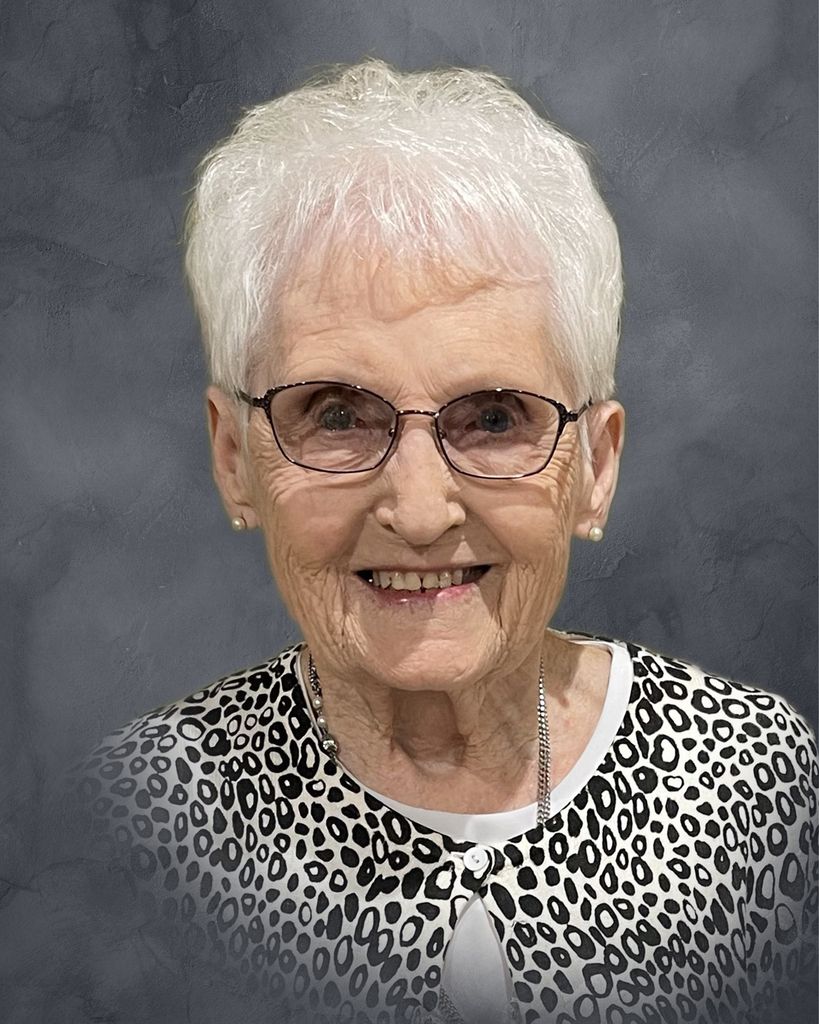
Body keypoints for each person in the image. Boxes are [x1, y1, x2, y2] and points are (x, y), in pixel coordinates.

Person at [76, 60, 816, 1024]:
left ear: (595, 465)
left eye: (495, 417)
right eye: (336, 414)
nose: (420, 511)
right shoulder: (140, 821)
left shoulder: (751, 783)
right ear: (234, 459)